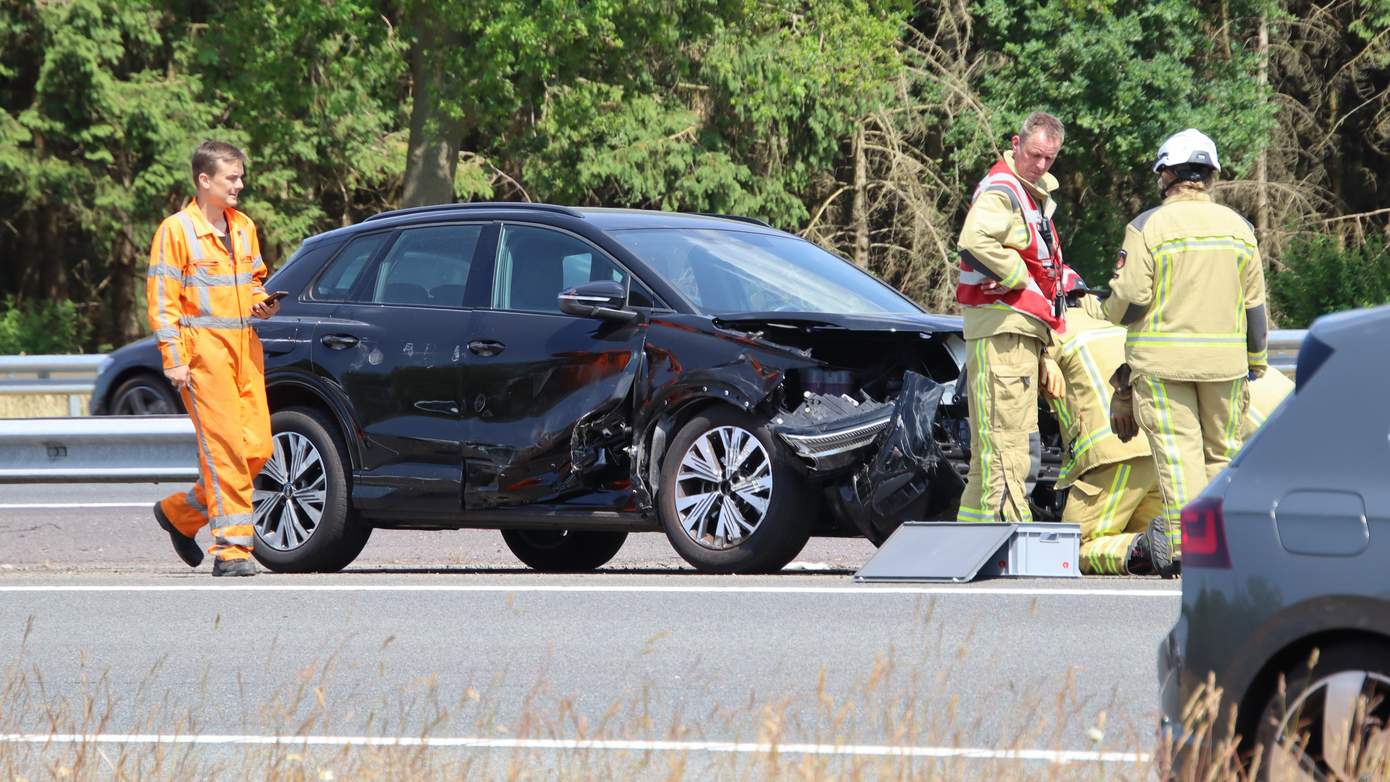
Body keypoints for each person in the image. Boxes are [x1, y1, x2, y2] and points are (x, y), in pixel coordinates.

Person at [1105, 129, 1268, 569]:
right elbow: (1255, 308)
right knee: (1222, 454)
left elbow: (1131, 301)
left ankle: (1187, 549)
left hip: (1163, 365)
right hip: (1226, 366)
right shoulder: (1240, 229)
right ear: (1211, 175)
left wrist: (1107, 306)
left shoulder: (1147, 226)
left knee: (1180, 454)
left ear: (1167, 174)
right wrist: (1255, 361)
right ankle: (1219, 549)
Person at [147, 140, 279, 577]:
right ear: (205, 181)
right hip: (203, 356)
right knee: (225, 454)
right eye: (232, 178)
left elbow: (255, 279)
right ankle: (232, 551)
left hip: (246, 351)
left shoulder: (243, 227)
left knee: (257, 449)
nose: (240, 184)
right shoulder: (176, 231)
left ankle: (180, 513)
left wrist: (262, 301)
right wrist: (174, 359)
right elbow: (163, 301)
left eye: (240, 177)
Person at [955, 111, 1076, 523]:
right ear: (1016, 143)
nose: (1041, 165)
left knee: (996, 452)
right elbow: (974, 240)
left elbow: (1043, 264)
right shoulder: (1004, 190)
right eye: (1035, 154)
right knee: (1007, 448)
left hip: (1018, 331)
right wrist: (1015, 277)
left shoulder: (1029, 193)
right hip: (1002, 330)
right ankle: (1004, 539)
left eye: (1050, 159)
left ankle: (972, 540)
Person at [1043, 286, 1173, 576]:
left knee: (1073, 546)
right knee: (1150, 533)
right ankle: (1162, 548)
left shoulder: (1051, 331)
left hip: (1111, 456)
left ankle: (1142, 548)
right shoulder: (1115, 327)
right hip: (1154, 453)